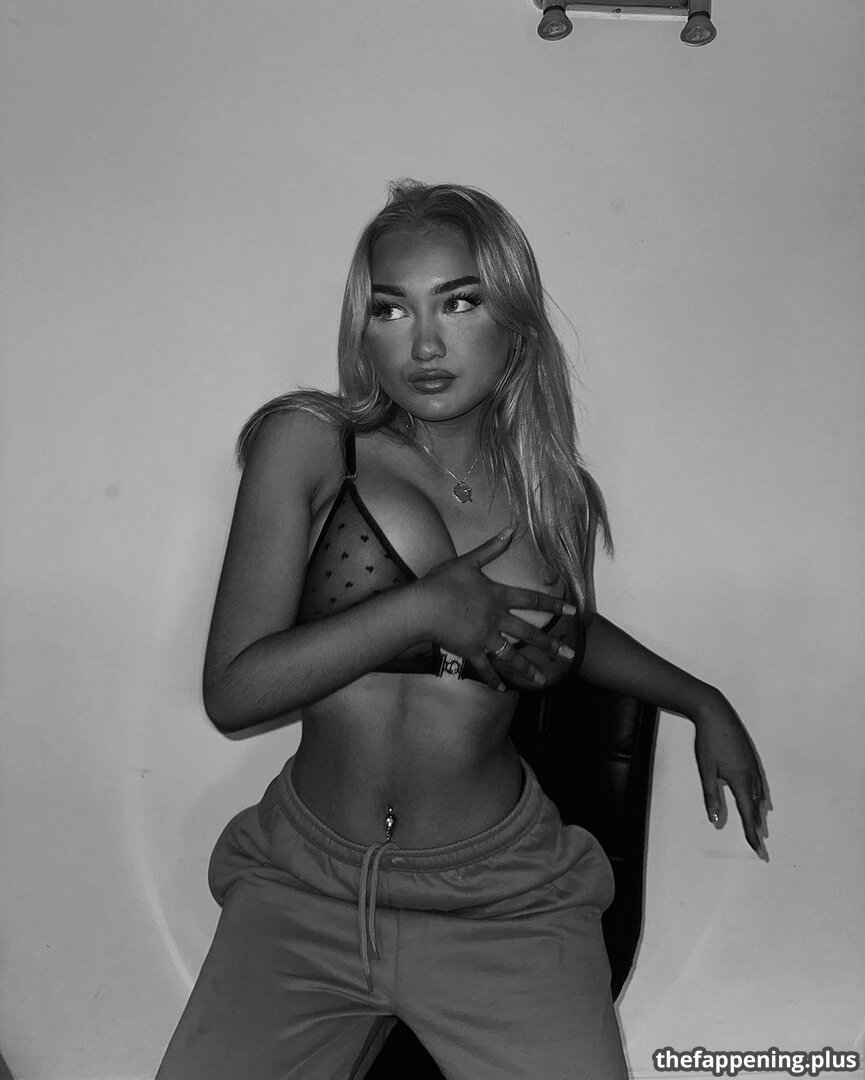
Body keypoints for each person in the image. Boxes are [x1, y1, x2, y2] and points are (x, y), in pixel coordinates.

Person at [156, 180, 766, 1080]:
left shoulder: (553, 494)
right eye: (390, 309)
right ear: (362, 329)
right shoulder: (311, 443)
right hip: (307, 887)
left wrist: (701, 700)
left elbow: (562, 634)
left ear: (512, 318)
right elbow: (234, 692)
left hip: (500, 896)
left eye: (458, 302)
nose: (425, 344)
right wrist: (422, 607)